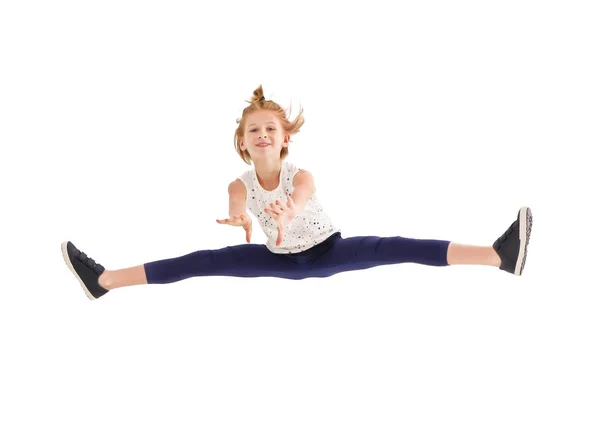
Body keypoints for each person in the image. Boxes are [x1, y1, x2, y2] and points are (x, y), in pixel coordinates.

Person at [61, 85, 533, 300]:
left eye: (271, 127)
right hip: (278, 258)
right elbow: (237, 203)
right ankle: (102, 281)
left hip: (328, 252)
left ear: (285, 137)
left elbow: (302, 196)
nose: (262, 134)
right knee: (199, 262)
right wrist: (242, 219)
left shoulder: (300, 174)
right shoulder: (239, 183)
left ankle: (497, 255)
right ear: (242, 141)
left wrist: (287, 214)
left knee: (397, 248)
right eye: (254, 130)